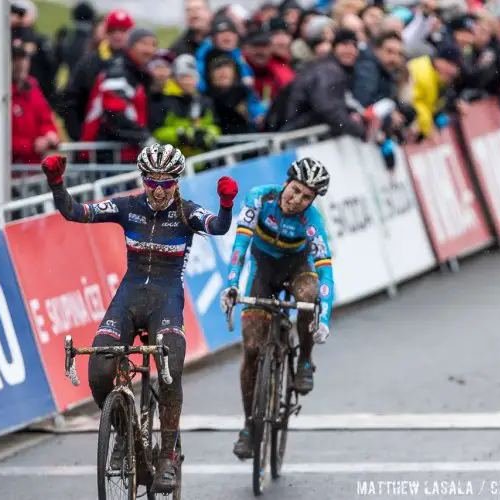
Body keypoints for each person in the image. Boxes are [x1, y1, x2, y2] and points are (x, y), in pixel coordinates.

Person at [40, 144, 239, 492]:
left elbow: (219, 227)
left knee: (169, 372)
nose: (159, 190)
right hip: (129, 298)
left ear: (176, 182)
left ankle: (167, 459)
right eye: (151, 182)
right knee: (100, 372)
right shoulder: (128, 206)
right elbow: (74, 212)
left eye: (167, 183)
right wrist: (57, 182)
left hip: (166, 302)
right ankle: (124, 433)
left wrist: (225, 204)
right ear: (143, 180)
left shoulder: (187, 212)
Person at [219, 157, 335, 460]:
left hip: (298, 269)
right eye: (295, 190)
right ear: (286, 183)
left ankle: (305, 362)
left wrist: (323, 318)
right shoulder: (260, 198)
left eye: (306, 197)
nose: (296, 200)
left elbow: (325, 272)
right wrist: (232, 283)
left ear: (313, 200)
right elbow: (240, 245)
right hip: (263, 272)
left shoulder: (312, 222)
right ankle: (248, 426)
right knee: (253, 349)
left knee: (309, 295)